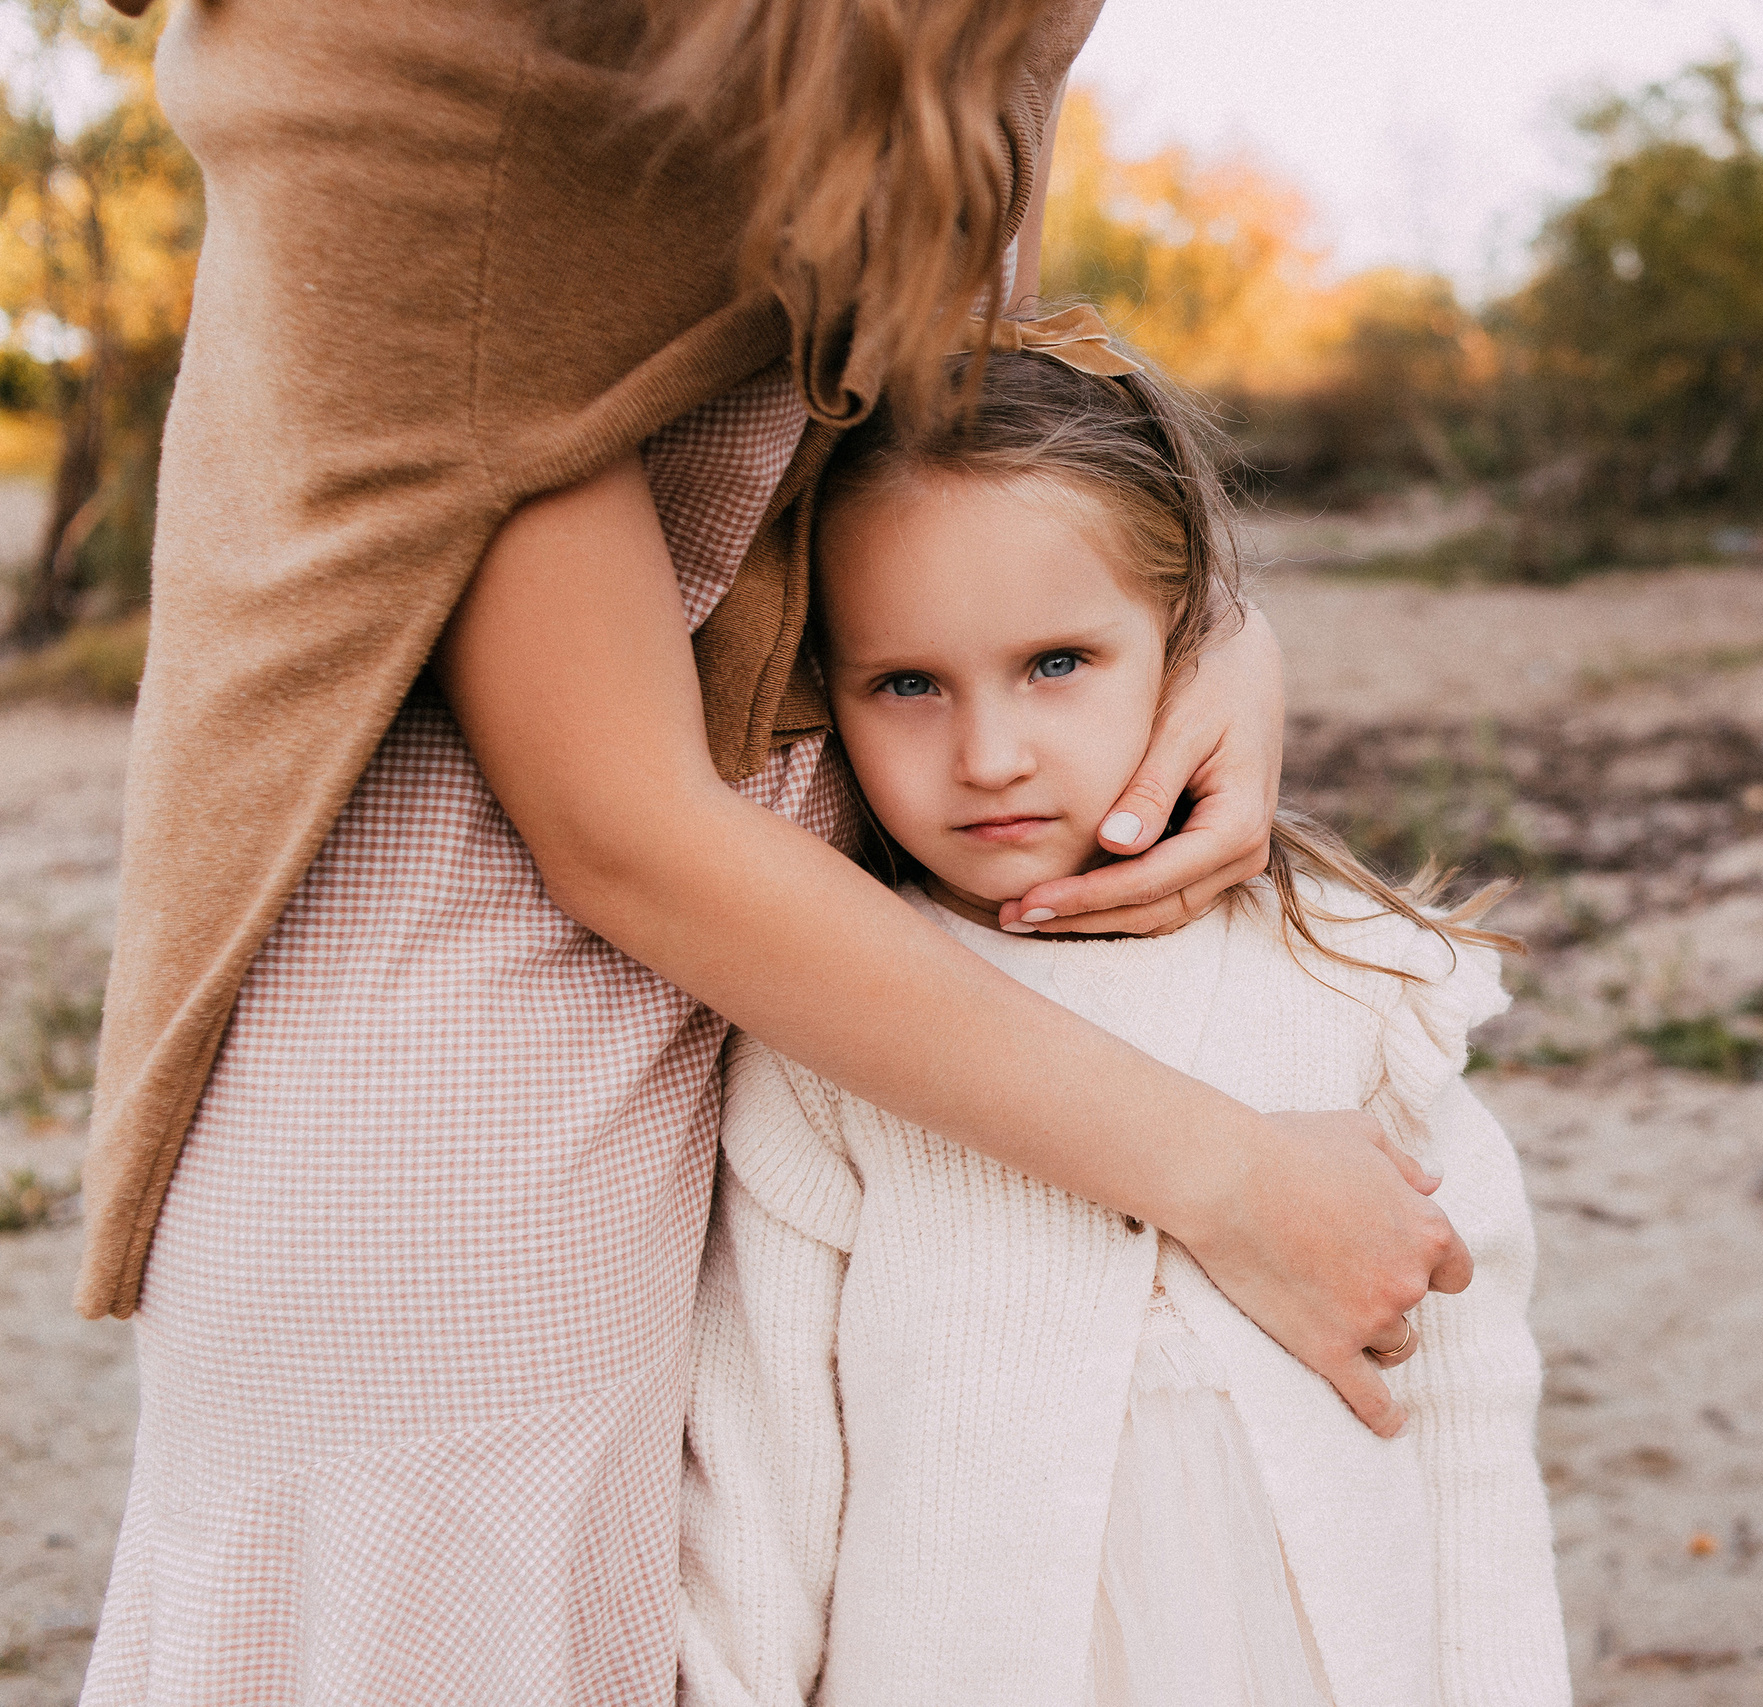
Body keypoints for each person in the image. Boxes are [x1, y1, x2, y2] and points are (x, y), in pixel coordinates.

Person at [79, 4, 1465, 1700]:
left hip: (825, 958)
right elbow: (621, 823)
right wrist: (1234, 1175)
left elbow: (955, 410)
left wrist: (1204, 633)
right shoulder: (408, 47)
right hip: (463, 1067)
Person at [675, 317, 1570, 1707]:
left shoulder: (1352, 982)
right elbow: (761, 1474)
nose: (990, 757)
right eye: (906, 684)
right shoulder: (830, 1040)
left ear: (1185, 642)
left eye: (1055, 665)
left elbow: (1466, 1411)